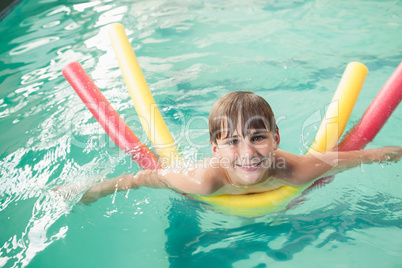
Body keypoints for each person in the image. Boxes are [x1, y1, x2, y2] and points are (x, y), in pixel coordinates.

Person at [78, 91, 402, 204]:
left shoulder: (296, 170)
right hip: (201, 200)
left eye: (257, 137)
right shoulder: (201, 180)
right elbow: (145, 178)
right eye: (232, 141)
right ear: (215, 149)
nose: (247, 153)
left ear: (275, 139)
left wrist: (389, 154)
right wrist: (91, 191)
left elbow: (358, 157)